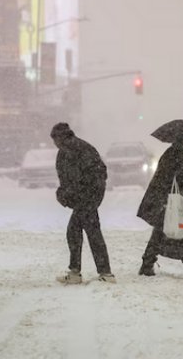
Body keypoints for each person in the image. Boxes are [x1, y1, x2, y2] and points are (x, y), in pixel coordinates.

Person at [51, 122, 115, 285]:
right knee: (81, 232)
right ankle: (93, 272)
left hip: (87, 198)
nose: (54, 143)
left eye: (55, 139)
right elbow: (69, 179)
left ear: (61, 137)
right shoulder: (70, 150)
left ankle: (100, 273)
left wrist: (70, 194)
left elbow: (80, 177)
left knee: (82, 233)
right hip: (86, 197)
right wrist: (65, 193)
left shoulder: (75, 149)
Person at [137, 137, 183, 279]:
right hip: (167, 200)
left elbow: (176, 174)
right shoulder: (176, 154)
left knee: (163, 232)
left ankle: (148, 264)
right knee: (181, 230)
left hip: (165, 199)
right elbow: (177, 176)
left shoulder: (174, 153)